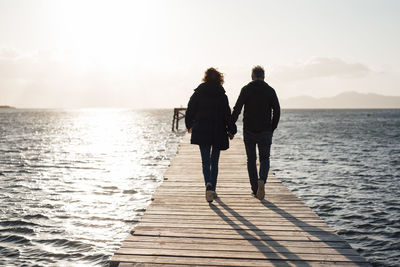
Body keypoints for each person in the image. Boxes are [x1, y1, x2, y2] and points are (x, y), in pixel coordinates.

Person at [185, 68, 237, 203]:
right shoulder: (222, 95)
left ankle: (208, 183)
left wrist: (189, 125)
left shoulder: (198, 93)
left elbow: (190, 109)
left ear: (205, 78)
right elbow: (227, 115)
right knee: (214, 161)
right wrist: (232, 130)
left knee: (205, 161)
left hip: (202, 130)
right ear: (219, 79)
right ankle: (212, 189)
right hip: (218, 131)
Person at [232, 66, 280, 200]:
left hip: (249, 130)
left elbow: (237, 108)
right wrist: (272, 127)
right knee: (265, 159)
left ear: (252, 76)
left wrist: (230, 126)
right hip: (265, 130)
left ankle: (255, 189)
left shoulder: (246, 89)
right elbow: (277, 110)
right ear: (264, 77)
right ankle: (262, 180)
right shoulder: (270, 90)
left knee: (251, 160)